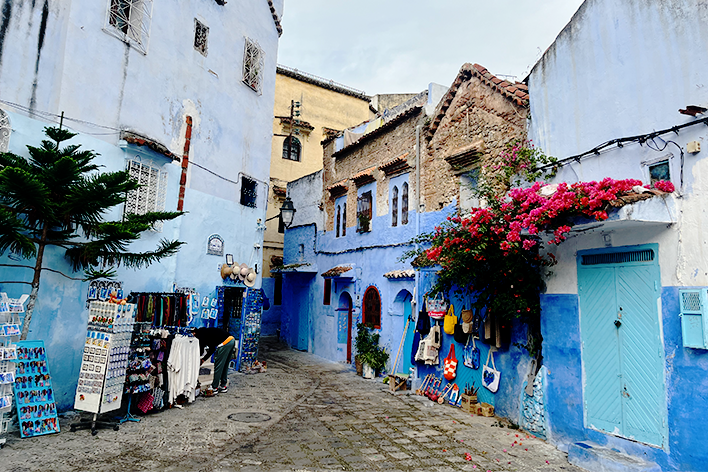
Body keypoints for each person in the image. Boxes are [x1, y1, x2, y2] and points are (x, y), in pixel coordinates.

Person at [193, 327, 235, 395]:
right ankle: (223, 386)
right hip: (231, 340)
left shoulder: (200, 335)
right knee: (224, 365)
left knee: (218, 366)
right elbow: (212, 349)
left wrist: (196, 358)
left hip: (224, 343)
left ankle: (214, 387)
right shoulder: (207, 332)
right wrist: (204, 359)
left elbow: (201, 351)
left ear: (194, 333)